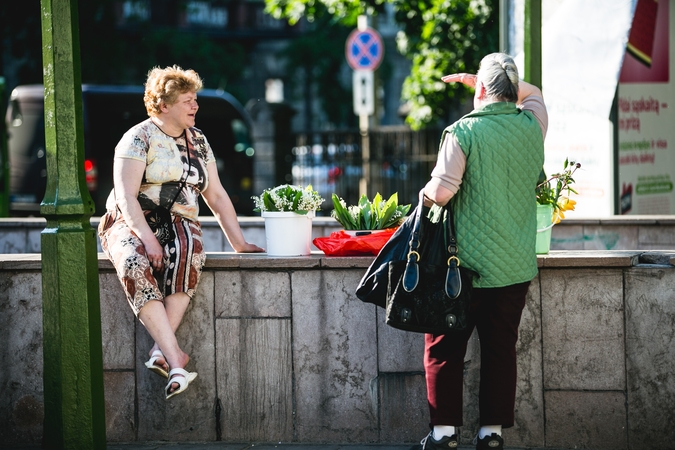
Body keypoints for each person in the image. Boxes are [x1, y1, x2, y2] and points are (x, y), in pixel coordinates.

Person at [98, 65, 264, 400]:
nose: (195, 106)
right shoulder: (137, 138)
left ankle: (163, 353)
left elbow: (215, 195)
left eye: (195, 99)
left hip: (178, 220)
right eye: (187, 100)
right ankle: (175, 359)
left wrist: (239, 242)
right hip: (132, 220)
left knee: (190, 250)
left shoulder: (199, 141)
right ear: (163, 105)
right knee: (133, 263)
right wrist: (147, 240)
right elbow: (127, 197)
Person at [418, 53, 548, 449]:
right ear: (511, 91)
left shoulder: (463, 132)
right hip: (515, 266)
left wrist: (421, 200)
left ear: (480, 90)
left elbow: (441, 191)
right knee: (500, 350)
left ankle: (444, 435)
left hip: (465, 267)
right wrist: (496, 79)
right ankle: (491, 435)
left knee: (444, 346)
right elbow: (535, 93)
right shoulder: (532, 125)